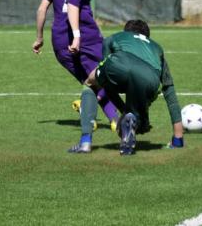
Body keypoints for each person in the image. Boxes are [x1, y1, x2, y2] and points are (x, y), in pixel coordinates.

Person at [32, 0, 119, 131]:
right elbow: (73, 5)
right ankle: (92, 105)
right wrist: (77, 35)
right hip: (85, 36)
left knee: (93, 82)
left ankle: (114, 119)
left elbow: (41, 9)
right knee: (109, 74)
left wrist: (39, 37)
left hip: (59, 41)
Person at [68, 19, 184, 155]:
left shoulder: (114, 38)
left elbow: (106, 85)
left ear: (126, 32)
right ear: (147, 37)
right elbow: (170, 94)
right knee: (139, 119)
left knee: (90, 84)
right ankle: (135, 119)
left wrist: (121, 110)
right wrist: (178, 139)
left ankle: (85, 142)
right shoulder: (157, 48)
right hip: (150, 79)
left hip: (119, 65)